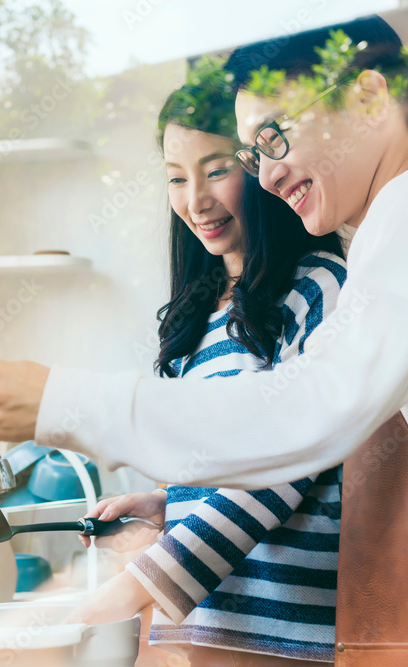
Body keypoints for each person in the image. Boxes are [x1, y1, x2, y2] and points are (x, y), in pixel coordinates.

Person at [0, 15, 408, 665]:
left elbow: (307, 414)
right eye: (253, 156)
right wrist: (177, 499)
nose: (267, 176)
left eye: (274, 138)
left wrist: (60, 400)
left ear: (369, 97)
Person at [63, 68, 346, 667]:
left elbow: (286, 466)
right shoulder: (199, 314)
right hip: (189, 634)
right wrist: (171, 500)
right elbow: (231, 458)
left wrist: (134, 584)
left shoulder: (320, 287)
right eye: (176, 179)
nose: (196, 201)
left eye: (217, 169)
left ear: (260, 163)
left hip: (281, 641)